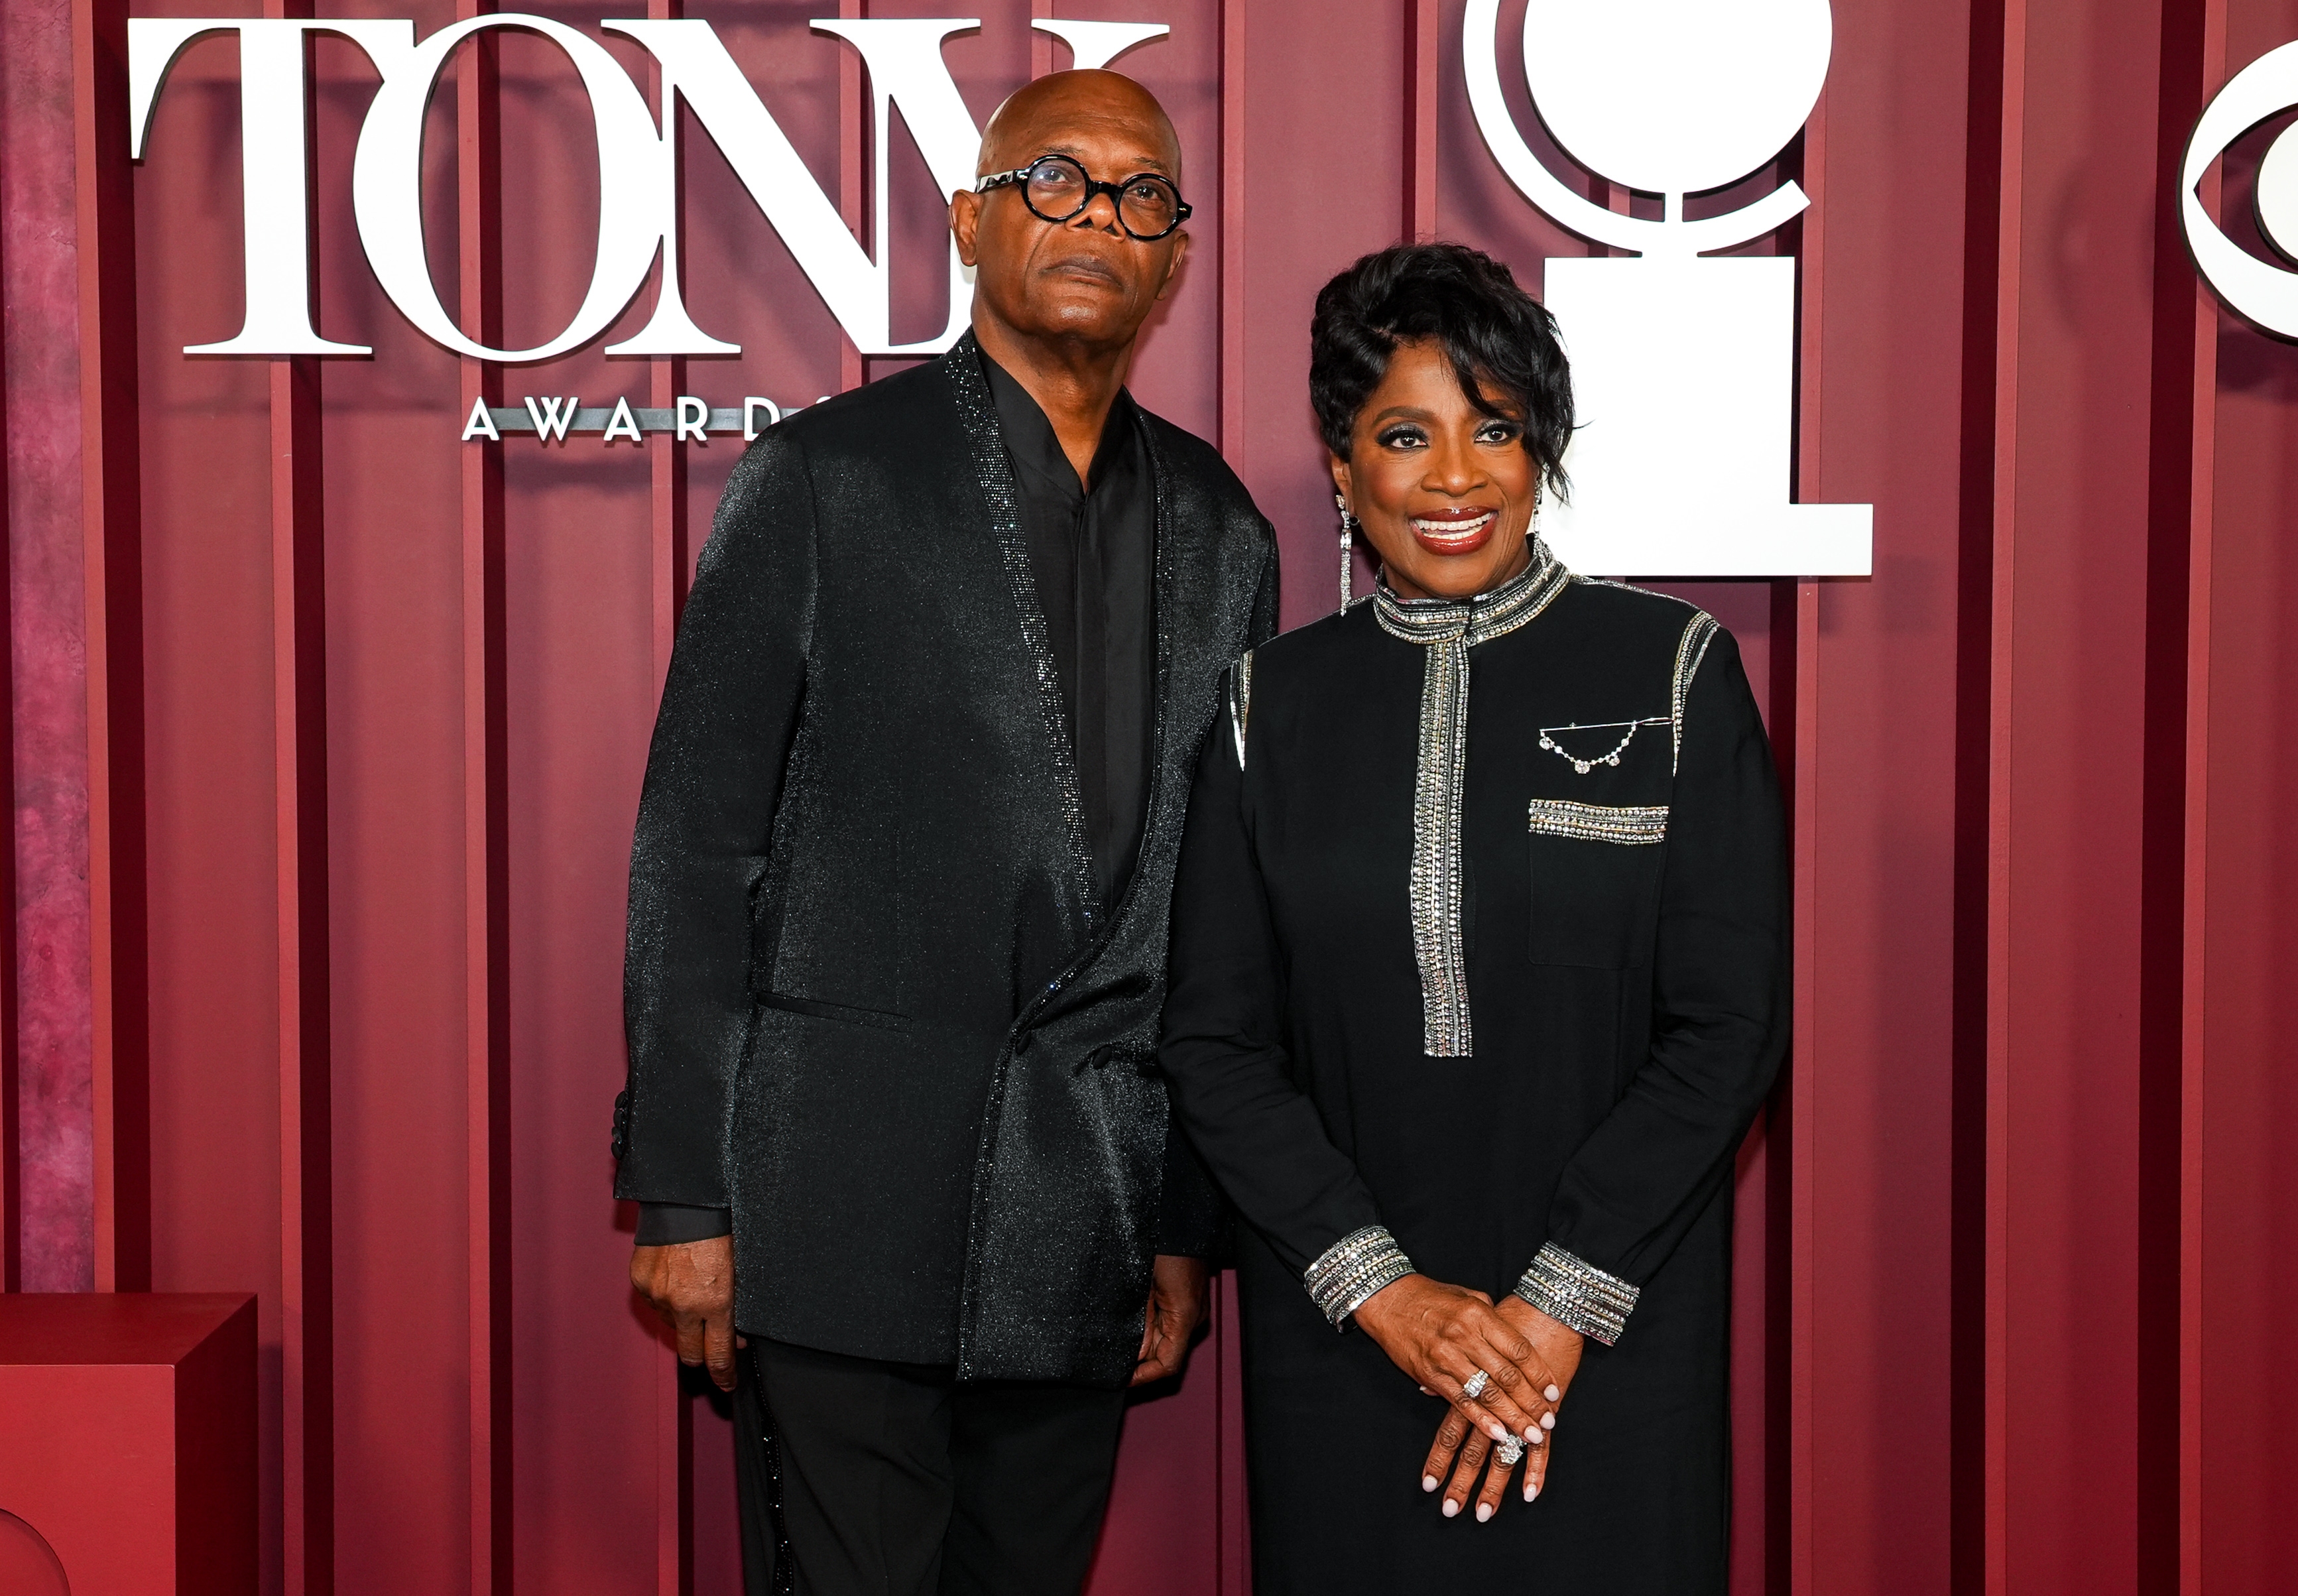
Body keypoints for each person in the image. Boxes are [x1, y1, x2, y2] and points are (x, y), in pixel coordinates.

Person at [611, 69, 1278, 1596]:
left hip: (1084, 1215)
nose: (1099, 215)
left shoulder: (1227, 534)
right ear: (973, 218)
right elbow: (699, 847)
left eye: (1141, 194)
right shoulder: (826, 478)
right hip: (828, 1202)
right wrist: (688, 1196)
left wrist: (1181, 1221)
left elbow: (1212, 914)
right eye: (1056, 180)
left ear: (1176, 255)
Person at [1158, 241, 1787, 1593]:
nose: (1455, 476)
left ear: (1540, 449)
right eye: (1405, 434)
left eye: (1494, 428)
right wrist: (1387, 1294)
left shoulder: (1674, 670)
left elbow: (1728, 1022)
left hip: (1614, 1334)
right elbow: (1214, 1041)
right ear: (1342, 464)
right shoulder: (1268, 707)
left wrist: (1558, 1302)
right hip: (1347, 1343)